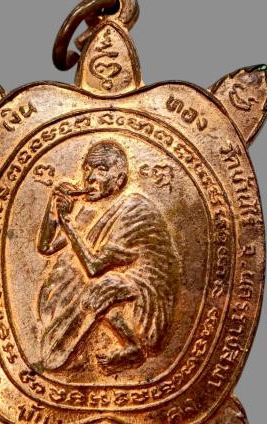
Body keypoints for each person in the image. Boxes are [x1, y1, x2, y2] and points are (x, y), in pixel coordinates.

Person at [36, 140, 180, 374]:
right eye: (87, 169)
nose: (90, 177)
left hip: (146, 289)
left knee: (103, 286)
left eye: (101, 170)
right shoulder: (87, 211)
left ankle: (133, 346)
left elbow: (94, 267)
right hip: (109, 281)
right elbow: (46, 247)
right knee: (76, 284)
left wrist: (67, 222)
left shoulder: (134, 208)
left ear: (120, 179)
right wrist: (53, 211)